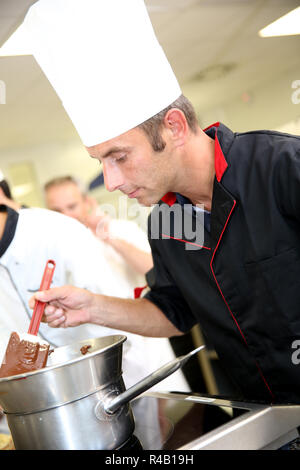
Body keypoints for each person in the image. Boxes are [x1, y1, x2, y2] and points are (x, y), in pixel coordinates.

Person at [23, 0, 300, 410]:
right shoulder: (168, 221)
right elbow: (173, 312)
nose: (111, 181)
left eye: (119, 156)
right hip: (263, 413)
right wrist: (91, 307)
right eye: (101, 163)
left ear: (173, 127)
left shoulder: (280, 169)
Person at [0, 191, 189, 449]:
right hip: (41, 418)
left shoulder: (54, 230)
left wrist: (141, 397)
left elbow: (122, 321)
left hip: (114, 395)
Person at [44, 175, 153, 276]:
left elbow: (153, 269)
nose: (65, 215)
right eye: (56, 210)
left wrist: (109, 238)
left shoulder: (123, 229)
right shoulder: (50, 248)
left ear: (87, 202)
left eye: (72, 207)